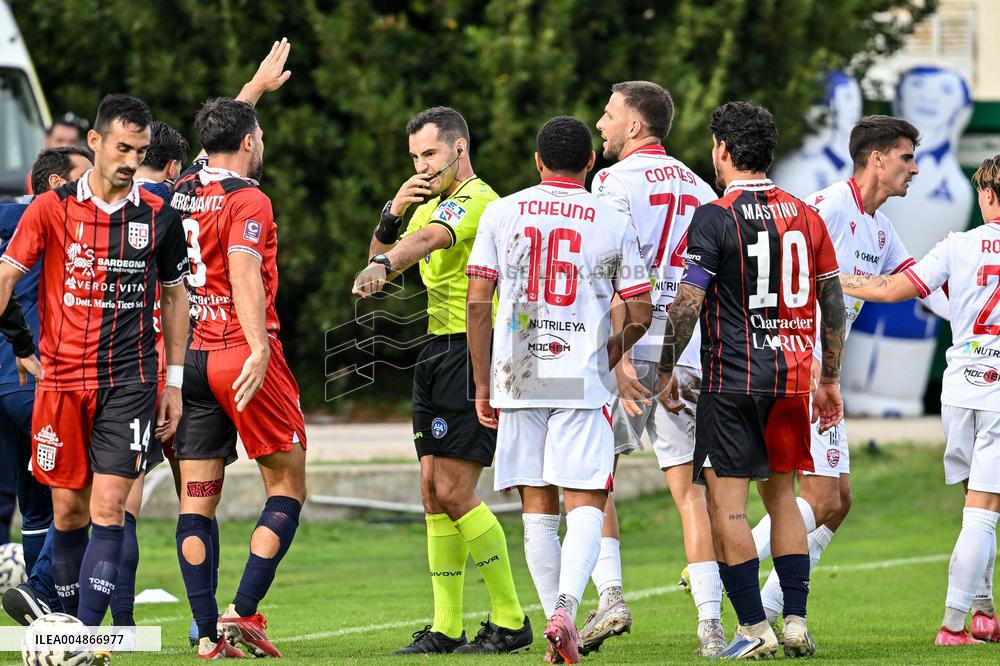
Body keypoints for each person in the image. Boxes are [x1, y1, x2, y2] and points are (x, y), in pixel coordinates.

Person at [0, 95, 190, 666]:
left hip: (130, 383)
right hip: (59, 386)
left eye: (141, 150)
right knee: (67, 515)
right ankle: (69, 633)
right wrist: (21, 345)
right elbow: (7, 275)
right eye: (123, 147)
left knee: (110, 508)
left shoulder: (159, 214)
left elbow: (177, 295)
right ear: (96, 143)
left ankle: (81, 641)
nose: (132, 160)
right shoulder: (50, 210)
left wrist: (174, 380)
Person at [656, 101, 846, 659]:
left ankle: (751, 631)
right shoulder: (806, 216)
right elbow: (832, 305)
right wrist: (828, 376)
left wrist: (666, 369)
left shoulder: (715, 216)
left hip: (731, 381)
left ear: (722, 150)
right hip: (789, 379)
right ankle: (794, 622)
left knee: (728, 508)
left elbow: (687, 304)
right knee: (784, 501)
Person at [750, 115, 948, 632]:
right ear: (877, 159)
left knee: (839, 502)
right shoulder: (829, 205)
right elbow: (774, 261)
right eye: (907, 157)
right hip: (801, 366)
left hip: (824, 372)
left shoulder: (880, 228)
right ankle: (730, 564)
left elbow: (922, 285)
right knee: (821, 497)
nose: (916, 169)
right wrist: (800, 347)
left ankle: (767, 605)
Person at [466, 115, 652, 664]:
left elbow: (479, 304)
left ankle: (555, 620)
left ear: (538, 162)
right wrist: (609, 355)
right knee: (587, 495)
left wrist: (482, 382)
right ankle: (568, 609)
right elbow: (640, 308)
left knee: (535, 500)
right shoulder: (610, 216)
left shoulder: (502, 211)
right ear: (591, 162)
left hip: (518, 368)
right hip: (582, 368)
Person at [352, 106, 530, 654]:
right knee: (431, 492)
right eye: (414, 158)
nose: (421, 167)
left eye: (429, 155)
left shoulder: (478, 200)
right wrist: (388, 217)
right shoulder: (427, 201)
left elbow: (426, 242)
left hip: (475, 349)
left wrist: (385, 263)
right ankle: (447, 627)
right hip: (436, 348)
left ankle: (510, 618)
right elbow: (385, 254)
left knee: (455, 489)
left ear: (459, 149)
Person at [581, 80, 724, 656]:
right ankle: (710, 626)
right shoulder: (698, 183)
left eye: (610, 113)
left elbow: (619, 272)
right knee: (690, 491)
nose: (601, 123)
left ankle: (611, 598)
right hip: (686, 346)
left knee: (591, 476)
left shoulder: (611, 181)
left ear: (635, 126)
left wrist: (616, 359)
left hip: (631, 342)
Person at [170, 82, 309, 661]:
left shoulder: (183, 188)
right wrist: (257, 348)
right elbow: (245, 269)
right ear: (250, 142)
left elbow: (218, 131)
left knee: (196, 501)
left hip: (191, 359)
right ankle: (244, 611)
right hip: (239, 353)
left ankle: (206, 636)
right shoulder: (249, 199)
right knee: (287, 485)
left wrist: (252, 88)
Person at [838, 154, 1000, 645]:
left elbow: (891, 290)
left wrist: (834, 280)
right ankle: (953, 626)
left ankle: (984, 612)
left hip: (959, 388)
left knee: (977, 504)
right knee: (983, 509)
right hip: (998, 392)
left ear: (988, 195)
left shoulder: (958, 244)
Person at [0, 146, 93, 625]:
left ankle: (44, 610)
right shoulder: (56, 216)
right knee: (88, 490)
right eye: (85, 177)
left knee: (34, 507)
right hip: (35, 383)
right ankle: (45, 593)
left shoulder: (7, 217)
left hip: (2, 390)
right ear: (58, 186)